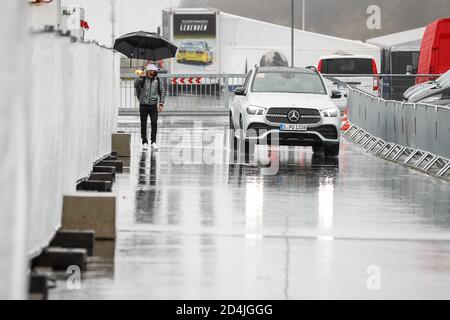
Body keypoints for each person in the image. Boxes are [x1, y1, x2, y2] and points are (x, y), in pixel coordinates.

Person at [134, 64, 166, 150]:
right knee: (143, 124)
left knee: (154, 123)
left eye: (156, 71)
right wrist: (140, 77)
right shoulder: (143, 79)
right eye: (154, 71)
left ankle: (153, 142)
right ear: (149, 71)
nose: (156, 72)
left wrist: (161, 104)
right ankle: (144, 142)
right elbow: (135, 85)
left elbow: (162, 91)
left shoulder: (158, 80)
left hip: (153, 106)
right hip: (143, 105)